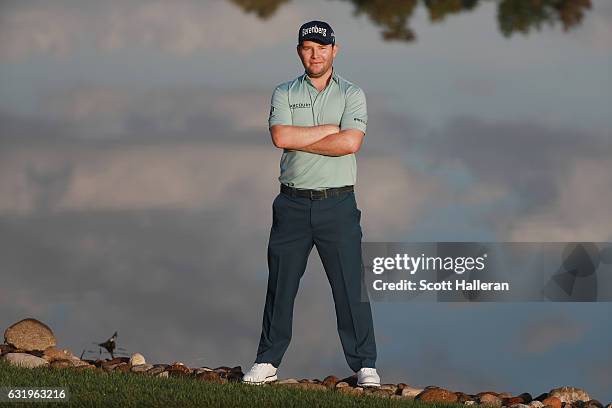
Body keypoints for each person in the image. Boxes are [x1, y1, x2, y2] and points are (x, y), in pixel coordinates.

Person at [242, 20, 380, 388]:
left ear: (335, 50)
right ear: (299, 51)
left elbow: (350, 144)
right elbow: (279, 136)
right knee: (281, 286)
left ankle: (365, 364)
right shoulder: (285, 91)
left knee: (350, 288)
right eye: (307, 47)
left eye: (321, 47)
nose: (314, 54)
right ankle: (267, 361)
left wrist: (302, 138)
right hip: (291, 205)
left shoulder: (352, 94)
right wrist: (328, 131)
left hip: (338, 205)